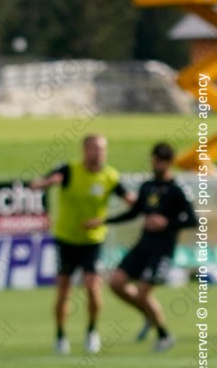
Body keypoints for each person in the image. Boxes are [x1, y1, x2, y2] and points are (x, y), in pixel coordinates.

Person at [85, 142, 197, 352]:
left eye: (160, 161)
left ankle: (164, 335)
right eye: (154, 160)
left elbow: (192, 220)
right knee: (116, 283)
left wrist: (167, 223)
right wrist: (104, 221)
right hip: (144, 244)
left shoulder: (177, 189)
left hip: (163, 249)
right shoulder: (147, 186)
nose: (155, 164)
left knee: (144, 293)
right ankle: (148, 315)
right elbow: (134, 212)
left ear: (168, 162)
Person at [30, 134, 134, 354]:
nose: (100, 153)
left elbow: (131, 201)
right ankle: (60, 335)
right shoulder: (68, 170)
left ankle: (92, 331)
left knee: (93, 287)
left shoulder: (110, 176)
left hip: (92, 240)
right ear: (85, 150)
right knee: (64, 291)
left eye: (103, 149)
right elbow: (37, 184)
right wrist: (46, 183)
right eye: (95, 148)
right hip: (66, 239)